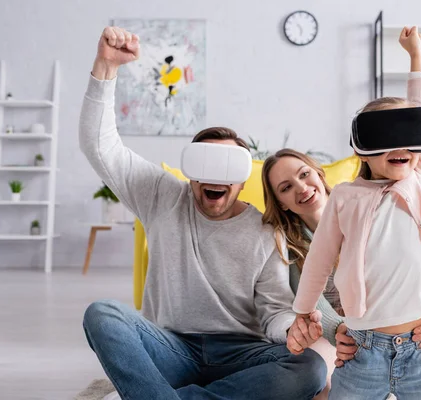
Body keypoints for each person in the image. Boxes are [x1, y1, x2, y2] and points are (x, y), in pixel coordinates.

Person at [80, 26, 326, 400]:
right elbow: (100, 147)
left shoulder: (263, 231)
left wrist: (292, 328)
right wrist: (106, 68)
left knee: (310, 367)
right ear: (191, 171)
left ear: (242, 181)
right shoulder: (161, 195)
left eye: (226, 168)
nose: (214, 178)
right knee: (102, 314)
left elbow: (274, 311)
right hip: (169, 346)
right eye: (206, 166)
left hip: (241, 351)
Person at [289, 26, 421, 399]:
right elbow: (318, 259)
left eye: (410, 137)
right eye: (386, 140)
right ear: (363, 150)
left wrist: (416, 55)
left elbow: (420, 107)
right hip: (364, 350)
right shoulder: (345, 197)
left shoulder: (419, 178)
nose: (402, 146)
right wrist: (304, 311)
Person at [261, 149, 421, 399]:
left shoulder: (374, 204)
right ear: (280, 202)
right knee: (327, 382)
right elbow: (313, 298)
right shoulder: (286, 243)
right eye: (286, 187)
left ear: (320, 174)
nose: (301, 188)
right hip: (348, 332)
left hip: (402, 327)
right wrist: (340, 332)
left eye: (304, 174)